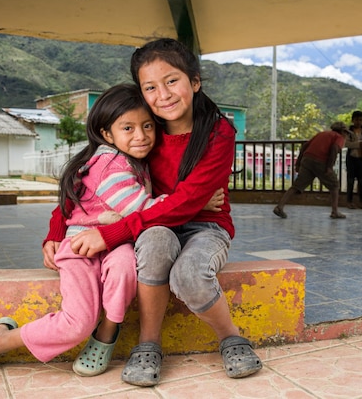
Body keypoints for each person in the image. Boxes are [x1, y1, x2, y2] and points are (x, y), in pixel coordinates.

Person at [42, 38, 262, 387]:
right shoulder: (146, 127)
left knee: (189, 274)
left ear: (195, 81)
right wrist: (57, 231)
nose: (163, 95)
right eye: (150, 87)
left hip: (206, 225)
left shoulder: (218, 132)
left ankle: (230, 337)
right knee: (156, 243)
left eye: (172, 80)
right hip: (154, 224)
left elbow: (189, 202)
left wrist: (112, 233)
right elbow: (88, 177)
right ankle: (148, 344)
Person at [0, 84, 166, 377]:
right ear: (107, 134)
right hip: (82, 245)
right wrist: (196, 201)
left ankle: (107, 330)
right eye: (128, 128)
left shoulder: (134, 160)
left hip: (115, 242)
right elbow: (141, 208)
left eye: (147, 126)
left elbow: (77, 200)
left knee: (124, 266)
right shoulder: (110, 162)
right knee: (77, 322)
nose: (141, 135)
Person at [273, 121, 349, 219]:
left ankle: (279, 207)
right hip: (320, 161)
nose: (346, 135)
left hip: (307, 159)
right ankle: (335, 211)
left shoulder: (322, 134)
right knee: (334, 185)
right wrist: (329, 167)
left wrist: (298, 163)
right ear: (342, 131)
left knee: (296, 186)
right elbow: (334, 149)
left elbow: (305, 146)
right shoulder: (339, 137)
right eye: (346, 133)